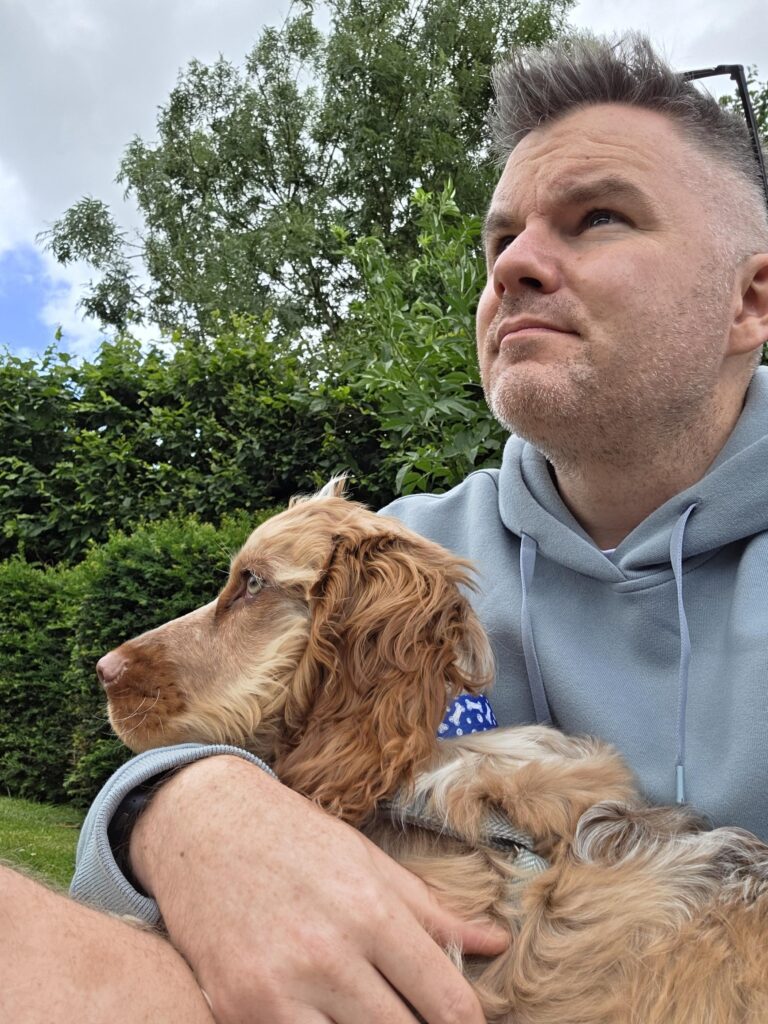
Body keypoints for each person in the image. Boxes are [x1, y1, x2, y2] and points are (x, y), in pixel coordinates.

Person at [6, 31, 768, 1023]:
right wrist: (180, 807)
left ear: (751, 298)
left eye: (599, 218)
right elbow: (238, 740)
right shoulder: (407, 544)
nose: (517, 267)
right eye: (501, 240)